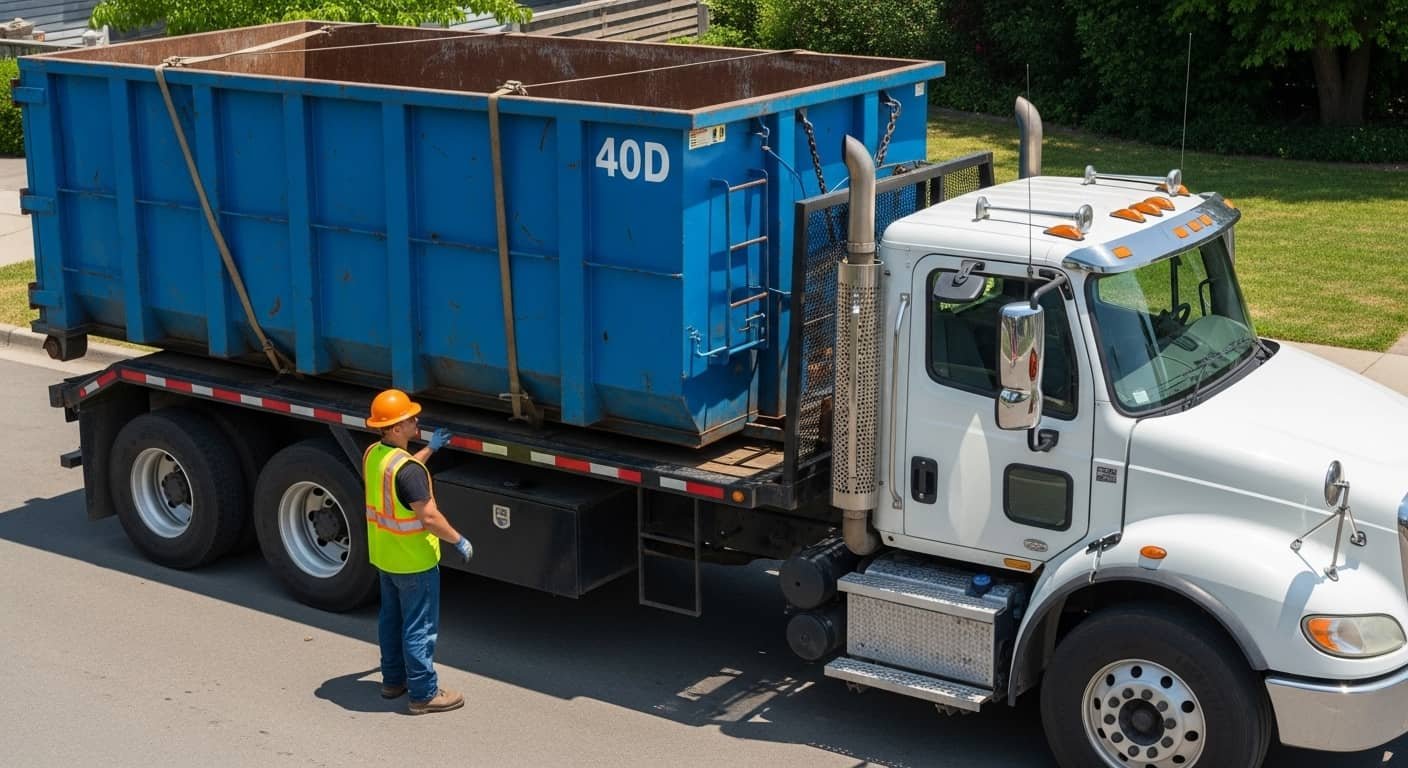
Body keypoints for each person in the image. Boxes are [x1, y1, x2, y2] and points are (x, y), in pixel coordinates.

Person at [363, 388, 474, 715]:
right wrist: (457, 539)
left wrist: (430, 449)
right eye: (410, 419)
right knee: (418, 628)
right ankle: (424, 693)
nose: (417, 421)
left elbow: (401, 473)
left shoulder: (374, 454)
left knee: (390, 620)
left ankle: (392, 681)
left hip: (386, 557)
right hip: (414, 562)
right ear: (396, 428)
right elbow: (427, 517)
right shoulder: (408, 470)